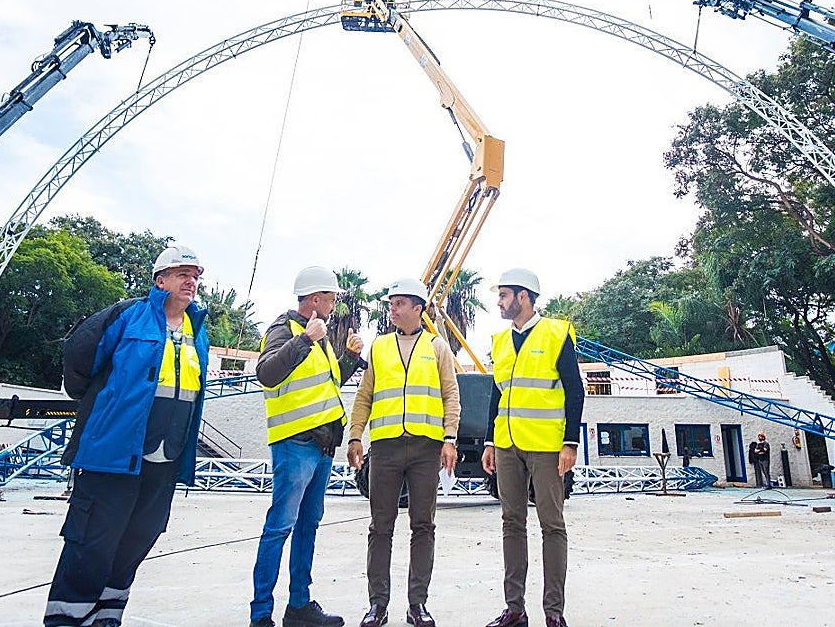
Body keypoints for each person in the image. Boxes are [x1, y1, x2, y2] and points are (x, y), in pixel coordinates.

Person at [44, 244, 211, 627]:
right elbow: (80, 357)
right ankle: (66, 619)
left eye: (196, 275)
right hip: (115, 453)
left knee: (139, 537)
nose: (191, 281)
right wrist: (106, 409)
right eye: (183, 273)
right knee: (92, 541)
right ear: (160, 279)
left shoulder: (196, 331)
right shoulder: (128, 316)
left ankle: (107, 616)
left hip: (165, 459)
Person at [250, 266, 365, 627]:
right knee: (280, 527)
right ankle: (261, 615)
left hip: (321, 447)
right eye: (330, 299)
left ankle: (299, 605)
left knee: (307, 526)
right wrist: (304, 341)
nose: (333, 306)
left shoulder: (320, 338)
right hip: (295, 444)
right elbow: (266, 374)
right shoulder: (285, 330)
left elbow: (326, 386)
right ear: (315, 299)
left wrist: (347, 358)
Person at [347, 277, 462, 627]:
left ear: (418, 308)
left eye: (399, 303)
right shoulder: (379, 347)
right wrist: (355, 436)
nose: (392, 309)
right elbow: (365, 395)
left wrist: (450, 438)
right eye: (391, 303)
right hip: (385, 448)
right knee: (380, 526)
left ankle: (418, 605)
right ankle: (377, 605)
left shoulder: (438, 347)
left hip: (427, 448)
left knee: (423, 526)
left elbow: (450, 395)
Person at [481, 268, 585, 627]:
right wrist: (490, 441)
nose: (499, 301)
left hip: (546, 447)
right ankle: (515, 609)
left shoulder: (556, 334)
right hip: (507, 445)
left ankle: (554, 613)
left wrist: (569, 443)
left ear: (523, 296)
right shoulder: (499, 341)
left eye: (504, 295)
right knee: (512, 523)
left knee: (552, 525)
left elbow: (575, 390)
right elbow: (497, 395)